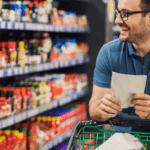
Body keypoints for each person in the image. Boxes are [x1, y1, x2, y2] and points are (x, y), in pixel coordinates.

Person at [89, 0, 150, 132]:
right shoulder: (109, 53)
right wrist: (102, 109)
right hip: (123, 142)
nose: (117, 20)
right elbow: (94, 108)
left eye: (126, 13)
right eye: (118, 13)